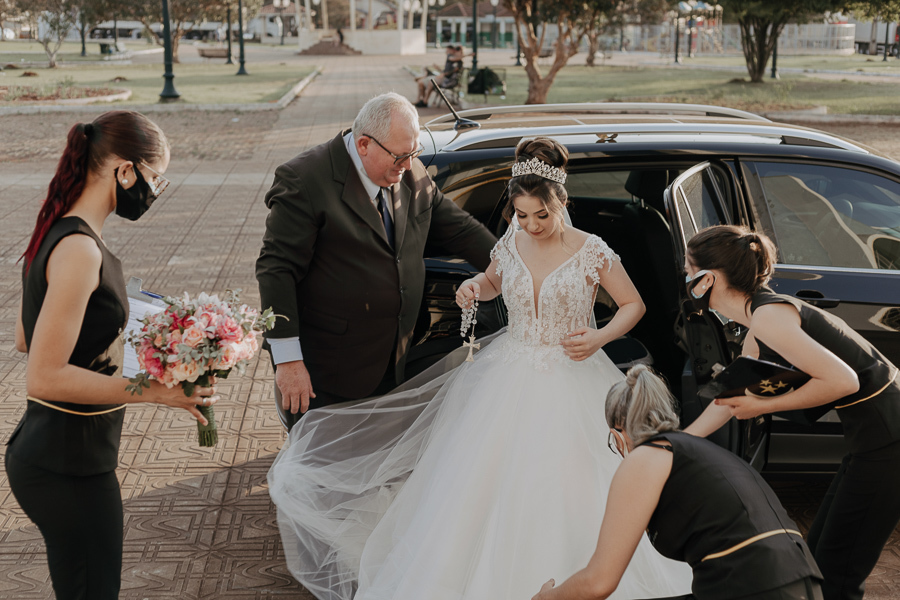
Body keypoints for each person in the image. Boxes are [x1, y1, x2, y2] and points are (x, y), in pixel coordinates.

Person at [267, 137, 693, 600]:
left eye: (541, 216)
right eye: (521, 215)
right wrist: (474, 286)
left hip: (574, 375)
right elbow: (493, 279)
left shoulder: (592, 250)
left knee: (568, 484)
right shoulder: (512, 240)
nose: (530, 226)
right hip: (507, 375)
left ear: (560, 204)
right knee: (474, 488)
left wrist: (601, 336)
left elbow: (634, 304)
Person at [8, 110, 219, 600]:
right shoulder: (82, 250)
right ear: (125, 171)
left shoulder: (56, 230)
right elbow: (42, 376)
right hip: (67, 464)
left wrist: (155, 347)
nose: (154, 193)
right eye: (154, 180)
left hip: (59, 454)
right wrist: (153, 391)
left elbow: (25, 337)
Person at [682, 225, 900, 600]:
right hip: (874, 439)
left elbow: (843, 381)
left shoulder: (770, 319)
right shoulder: (762, 317)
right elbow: (731, 397)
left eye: (688, 270)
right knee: (819, 559)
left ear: (707, 279)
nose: (685, 279)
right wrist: (676, 443)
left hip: (890, 440)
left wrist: (765, 405)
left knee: (837, 573)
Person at [255, 92, 495, 430]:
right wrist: (288, 361)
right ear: (364, 144)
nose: (409, 165)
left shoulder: (410, 172)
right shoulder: (305, 179)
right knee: (325, 474)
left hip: (393, 359)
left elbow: (461, 231)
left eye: (414, 153)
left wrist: (517, 266)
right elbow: (275, 270)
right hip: (329, 370)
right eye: (400, 156)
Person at [532, 364, 824, 600]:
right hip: (803, 582)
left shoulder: (646, 457)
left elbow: (599, 582)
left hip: (752, 588)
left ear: (618, 436)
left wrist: (548, 598)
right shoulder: (705, 453)